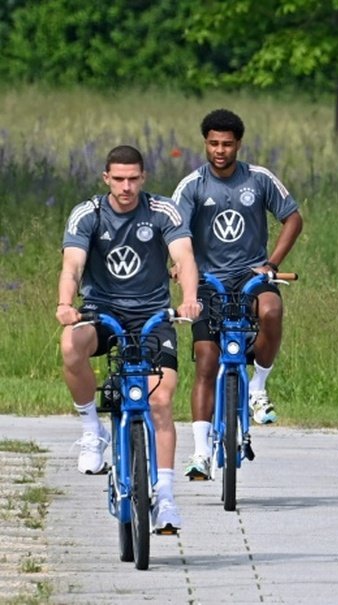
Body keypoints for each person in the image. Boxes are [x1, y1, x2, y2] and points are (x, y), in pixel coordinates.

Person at [57, 145, 201, 534]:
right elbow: (73, 265)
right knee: (71, 344)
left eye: (133, 178)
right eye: (118, 179)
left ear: (144, 177)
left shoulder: (161, 210)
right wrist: (66, 304)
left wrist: (189, 299)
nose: (126, 186)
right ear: (106, 178)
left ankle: (166, 497)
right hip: (101, 312)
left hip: (153, 316)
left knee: (160, 400)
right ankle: (92, 430)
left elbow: (184, 257)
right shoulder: (88, 213)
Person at [172, 108, 303, 481]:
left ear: (238, 145)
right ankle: (200, 454)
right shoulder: (192, 185)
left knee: (272, 309)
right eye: (213, 143)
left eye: (227, 144)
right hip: (208, 282)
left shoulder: (259, 179)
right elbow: (175, 233)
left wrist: (272, 264)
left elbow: (292, 217)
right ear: (205, 144)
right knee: (205, 359)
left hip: (251, 276)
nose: (220, 150)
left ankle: (257, 389)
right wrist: (181, 266)